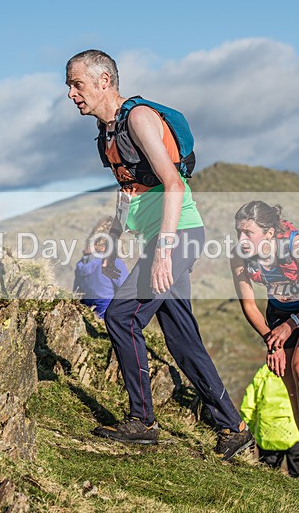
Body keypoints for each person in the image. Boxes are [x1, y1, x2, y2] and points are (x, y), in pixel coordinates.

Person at [65, 49, 253, 460]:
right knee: (182, 339)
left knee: (121, 315)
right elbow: (127, 189)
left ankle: (142, 421)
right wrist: (114, 241)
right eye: (69, 86)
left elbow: (173, 183)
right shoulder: (107, 134)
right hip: (162, 239)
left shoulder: (138, 118)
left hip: (177, 236)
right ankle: (233, 427)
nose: (71, 94)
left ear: (104, 82)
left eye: (76, 84)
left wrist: (165, 251)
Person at [230, 201, 299, 483]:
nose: (242, 239)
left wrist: (292, 324)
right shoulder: (239, 257)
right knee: (290, 383)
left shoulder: (297, 246)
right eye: (238, 232)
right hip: (280, 313)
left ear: (269, 233)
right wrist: (273, 342)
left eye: (248, 233)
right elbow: (250, 307)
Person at [240, 363, 299, 479]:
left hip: (268, 435)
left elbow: (248, 408)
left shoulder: (263, 373)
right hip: (298, 435)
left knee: (267, 480)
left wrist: (248, 435)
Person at [73, 216, 129, 318]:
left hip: (87, 315)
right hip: (110, 317)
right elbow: (128, 292)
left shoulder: (81, 265)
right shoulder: (114, 263)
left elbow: (77, 293)